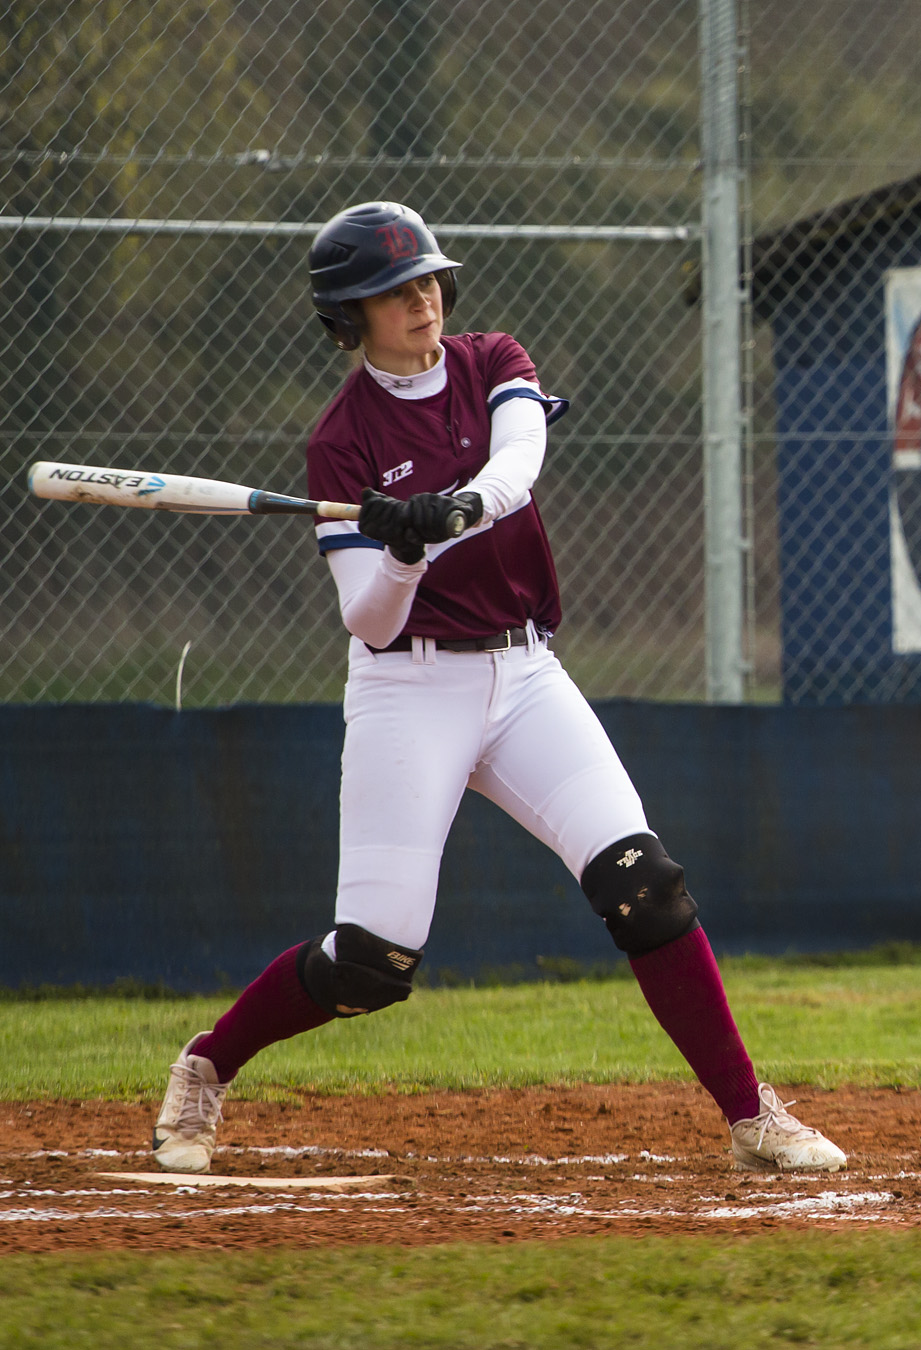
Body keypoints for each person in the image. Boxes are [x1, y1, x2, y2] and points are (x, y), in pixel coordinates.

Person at [150, 201, 844, 1176]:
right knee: (372, 961)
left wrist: (455, 509)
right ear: (349, 316)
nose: (423, 300)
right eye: (394, 291)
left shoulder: (490, 362)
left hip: (522, 673)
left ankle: (750, 1117)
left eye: (428, 280)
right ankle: (209, 1064)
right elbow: (369, 620)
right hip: (409, 690)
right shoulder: (340, 442)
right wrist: (403, 553)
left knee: (643, 886)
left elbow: (520, 462)